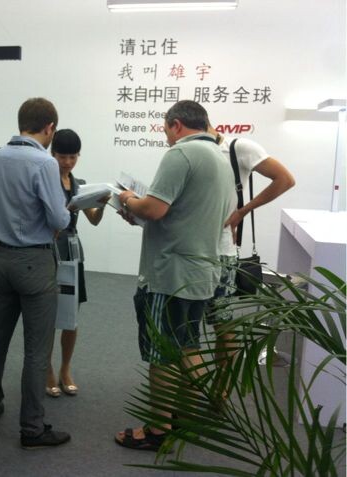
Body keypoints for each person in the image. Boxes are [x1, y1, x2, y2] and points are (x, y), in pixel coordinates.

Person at [113, 100, 234, 451]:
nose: (166, 138)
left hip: (170, 274)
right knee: (188, 345)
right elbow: (183, 213)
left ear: (176, 125)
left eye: (166, 130)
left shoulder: (181, 154)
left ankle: (158, 428)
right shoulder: (220, 158)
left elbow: (154, 208)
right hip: (201, 272)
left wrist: (127, 199)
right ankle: (189, 413)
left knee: (161, 353)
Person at [0, 97, 72, 449]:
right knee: (36, 350)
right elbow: (59, 218)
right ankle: (32, 428)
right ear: (49, 128)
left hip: (0, 259)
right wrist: (68, 210)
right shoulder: (45, 163)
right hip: (35, 262)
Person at [206, 125, 295, 395]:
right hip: (189, 253)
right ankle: (191, 392)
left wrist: (243, 211)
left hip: (221, 254)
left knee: (223, 325)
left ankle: (221, 391)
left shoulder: (238, 148)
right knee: (187, 326)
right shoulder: (189, 151)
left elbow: (285, 179)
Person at [46, 129, 105, 398]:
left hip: (72, 249)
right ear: (53, 154)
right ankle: (47, 368)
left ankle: (65, 368)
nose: (68, 162)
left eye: (73, 157)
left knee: (71, 313)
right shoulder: (46, 180)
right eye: (62, 156)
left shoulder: (79, 185)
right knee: (47, 313)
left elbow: (93, 219)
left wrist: (101, 204)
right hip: (49, 248)